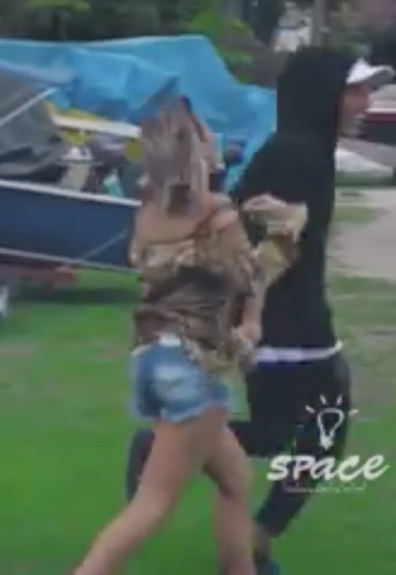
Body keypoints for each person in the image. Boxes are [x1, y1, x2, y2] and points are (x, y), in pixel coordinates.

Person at [123, 48, 394, 574]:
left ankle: (248, 541)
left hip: (294, 317)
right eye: (355, 90)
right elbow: (253, 244)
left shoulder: (303, 149)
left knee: (288, 432)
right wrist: (254, 313)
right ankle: (248, 539)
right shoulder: (298, 154)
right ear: (323, 95)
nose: (366, 101)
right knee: (314, 429)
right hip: (286, 323)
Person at [71, 100, 306, 575]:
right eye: (207, 134)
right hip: (192, 366)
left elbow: (183, 278)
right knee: (154, 501)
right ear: (196, 152)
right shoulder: (215, 213)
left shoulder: (147, 213)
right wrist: (287, 228)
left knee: (236, 479)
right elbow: (251, 279)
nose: (215, 139)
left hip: (151, 360)